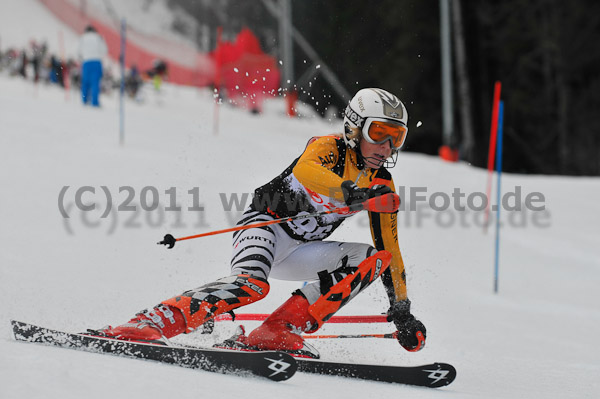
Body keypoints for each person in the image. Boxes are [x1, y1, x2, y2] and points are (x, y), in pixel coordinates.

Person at [93, 88, 426, 358]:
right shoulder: (329, 148)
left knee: (372, 258)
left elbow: (390, 249)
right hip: (264, 226)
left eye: (396, 137)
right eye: (378, 133)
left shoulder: (382, 182)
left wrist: (402, 307)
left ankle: (279, 329)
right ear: (354, 127)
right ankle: (149, 322)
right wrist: (352, 193)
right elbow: (305, 171)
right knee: (251, 285)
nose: (386, 146)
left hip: (302, 250)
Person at [78, 25, 107, 107]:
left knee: (85, 82)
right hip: (96, 62)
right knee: (95, 83)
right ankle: (94, 102)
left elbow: (78, 51)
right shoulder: (99, 38)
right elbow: (104, 50)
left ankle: (84, 100)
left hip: (86, 62)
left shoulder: (83, 38)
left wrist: (82, 57)